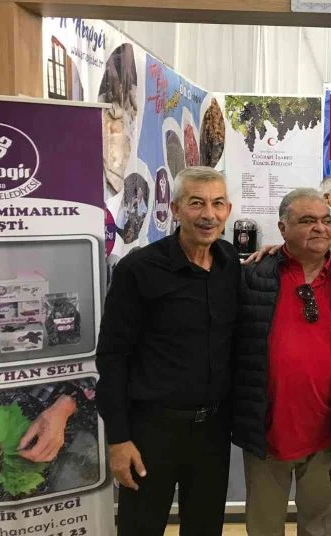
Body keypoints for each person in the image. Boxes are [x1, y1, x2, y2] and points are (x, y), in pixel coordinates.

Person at [96, 166, 239, 536]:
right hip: (151, 431)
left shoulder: (229, 263)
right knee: (140, 528)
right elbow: (112, 357)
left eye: (218, 204)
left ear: (228, 210)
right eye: (196, 203)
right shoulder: (139, 269)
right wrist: (118, 439)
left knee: (205, 528)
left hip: (212, 431)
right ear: (175, 210)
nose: (209, 214)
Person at [233, 188, 331, 536]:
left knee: (319, 522)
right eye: (307, 220)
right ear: (282, 228)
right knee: (264, 526)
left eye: (325, 220)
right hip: (267, 429)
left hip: (327, 427)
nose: (320, 228)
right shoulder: (252, 276)